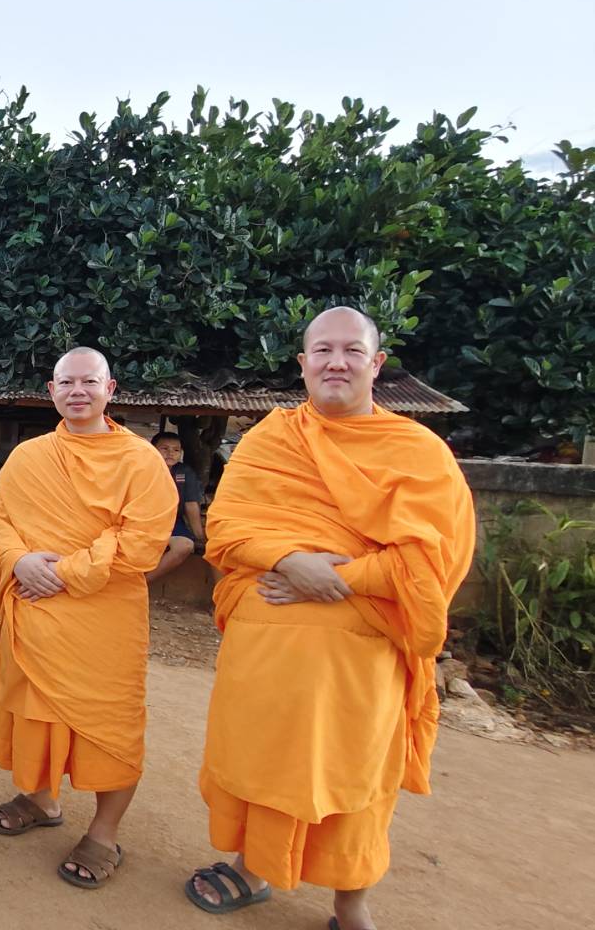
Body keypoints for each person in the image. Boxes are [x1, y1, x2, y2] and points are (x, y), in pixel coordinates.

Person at [183, 307, 475, 930]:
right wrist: (288, 558)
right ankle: (250, 868)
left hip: (359, 657)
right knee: (262, 758)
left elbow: (434, 560)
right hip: (266, 658)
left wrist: (338, 578)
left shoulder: (419, 452)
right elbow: (227, 529)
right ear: (303, 363)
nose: (335, 362)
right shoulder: (269, 439)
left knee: (354, 775)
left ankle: (351, 905)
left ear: (376, 364)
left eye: (350, 351)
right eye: (322, 350)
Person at [0, 347, 177, 890]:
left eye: (89, 382)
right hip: (35, 609)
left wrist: (63, 572)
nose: (78, 392)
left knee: (109, 726)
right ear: (51, 391)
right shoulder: (29, 456)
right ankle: (41, 799)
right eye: (67, 383)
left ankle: (105, 834)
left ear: (110, 389)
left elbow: (141, 542)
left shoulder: (141, 461)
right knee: (36, 712)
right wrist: (19, 560)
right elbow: (2, 517)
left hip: (102, 621)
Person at [145, 430, 204, 583]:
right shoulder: (142, 468)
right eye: (164, 448)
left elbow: (191, 504)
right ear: (152, 449)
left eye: (176, 450)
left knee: (184, 546)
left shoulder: (184, 472)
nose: (170, 453)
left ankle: (143, 583)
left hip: (172, 522)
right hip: (141, 520)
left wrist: (200, 537)